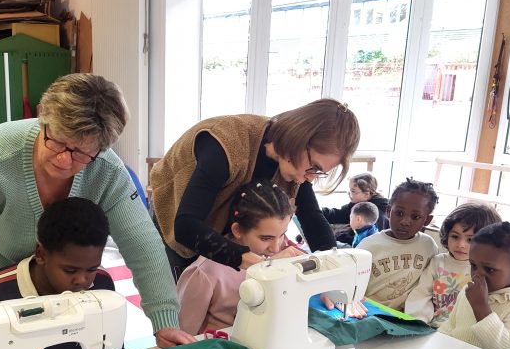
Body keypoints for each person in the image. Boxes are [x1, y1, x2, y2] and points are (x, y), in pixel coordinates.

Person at [0, 74, 194, 349]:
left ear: (101, 149)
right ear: (43, 119)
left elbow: (144, 248)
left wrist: (165, 321)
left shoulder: (107, 171)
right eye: (56, 141)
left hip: (49, 275)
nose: (63, 160)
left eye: (81, 153)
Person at [150, 99, 360, 281]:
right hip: (173, 219)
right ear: (299, 139)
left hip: (217, 228)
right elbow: (185, 226)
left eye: (319, 172)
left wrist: (332, 273)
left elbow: (312, 219)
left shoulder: (295, 162)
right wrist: (257, 263)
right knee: (176, 305)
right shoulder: (226, 143)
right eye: (313, 167)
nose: (310, 177)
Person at [0, 197, 120, 349]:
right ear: (41, 254)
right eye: (70, 270)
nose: (82, 280)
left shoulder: (101, 284)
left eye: (92, 269)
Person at [176, 183, 302, 335]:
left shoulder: (286, 250)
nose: (276, 248)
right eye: (266, 238)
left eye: (282, 234)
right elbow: (183, 333)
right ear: (238, 230)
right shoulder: (205, 273)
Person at [406, 203, 501, 328]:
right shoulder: (438, 262)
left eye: (470, 240)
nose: (461, 244)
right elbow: (421, 295)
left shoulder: (488, 271)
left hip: (465, 334)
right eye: (455, 236)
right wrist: (418, 322)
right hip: (432, 328)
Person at [356, 178, 439, 311]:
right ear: (389, 211)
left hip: (405, 317)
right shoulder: (369, 246)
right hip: (367, 312)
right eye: (399, 213)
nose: (405, 221)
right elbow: (352, 285)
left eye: (415, 217)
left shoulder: (428, 246)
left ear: (427, 220)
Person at [439, 221, 510, 349]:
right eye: (473, 265)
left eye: (489, 269)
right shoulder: (469, 290)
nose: (477, 275)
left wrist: (481, 307)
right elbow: (450, 325)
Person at [322, 172, 388, 245]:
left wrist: (338, 235)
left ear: (366, 194)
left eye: (353, 191)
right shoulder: (357, 203)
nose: (349, 193)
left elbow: (365, 240)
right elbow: (341, 214)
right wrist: (320, 211)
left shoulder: (374, 212)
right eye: (350, 190)